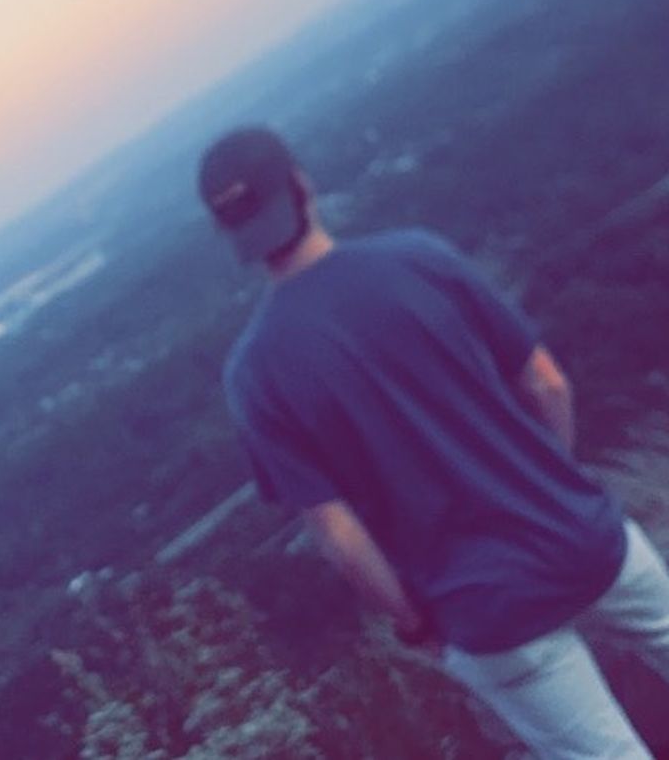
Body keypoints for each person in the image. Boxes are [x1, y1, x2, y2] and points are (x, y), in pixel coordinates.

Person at [198, 126, 669, 759]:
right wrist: (552, 484)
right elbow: (547, 383)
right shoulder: (418, 259)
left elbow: (339, 536)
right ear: (302, 185)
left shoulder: (256, 373)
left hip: (486, 608)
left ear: (229, 232)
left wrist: (414, 623)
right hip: (582, 535)